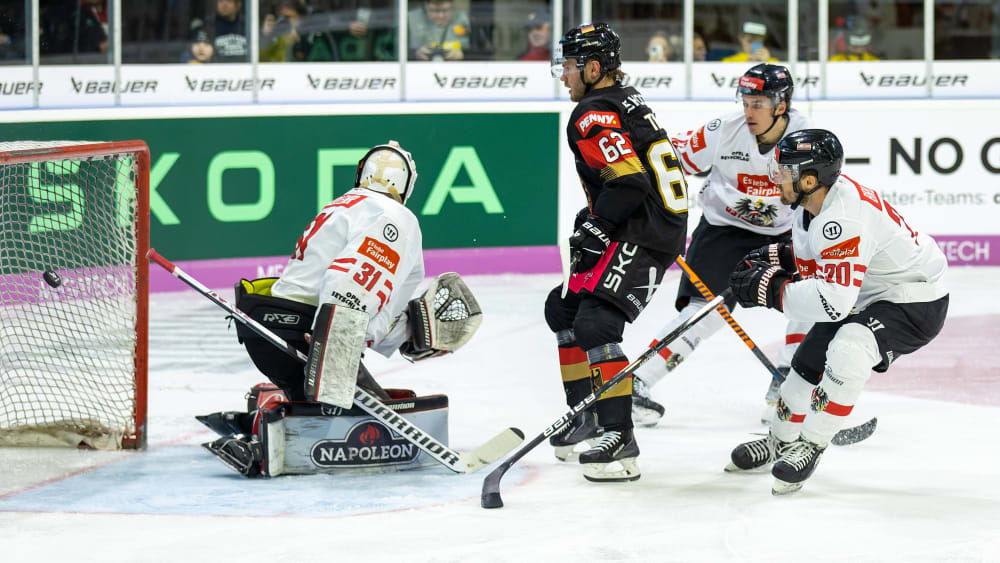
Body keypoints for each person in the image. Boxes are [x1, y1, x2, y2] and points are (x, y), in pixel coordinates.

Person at [725, 129, 949, 494]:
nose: (775, 177)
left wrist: (769, 290)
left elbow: (832, 302)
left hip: (914, 300)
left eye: (784, 171)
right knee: (801, 371)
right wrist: (778, 257)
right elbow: (821, 260)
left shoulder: (844, 218)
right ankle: (779, 441)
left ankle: (810, 445)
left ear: (809, 179)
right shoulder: (813, 203)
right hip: (868, 291)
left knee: (849, 346)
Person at [199, 141, 432, 475]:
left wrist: (398, 333)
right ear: (406, 185)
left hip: (268, 329)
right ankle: (275, 434)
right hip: (308, 336)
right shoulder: (395, 216)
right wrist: (338, 352)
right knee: (372, 421)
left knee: (327, 410)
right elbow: (349, 284)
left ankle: (265, 421)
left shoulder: (346, 204)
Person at [629, 63, 811, 427]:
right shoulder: (723, 131)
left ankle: (789, 386)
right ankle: (637, 383)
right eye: (745, 100)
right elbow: (667, 159)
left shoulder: (806, 139)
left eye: (759, 102)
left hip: (785, 233)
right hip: (723, 229)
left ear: (781, 104)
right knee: (704, 315)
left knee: (809, 299)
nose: (749, 111)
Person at [546, 23, 688, 482]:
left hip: (643, 231)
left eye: (568, 66)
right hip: (638, 222)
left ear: (592, 68)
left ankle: (618, 436)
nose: (563, 75)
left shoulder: (591, 114)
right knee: (562, 311)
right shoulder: (622, 96)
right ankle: (585, 413)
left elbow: (628, 181)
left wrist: (598, 226)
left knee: (596, 324)